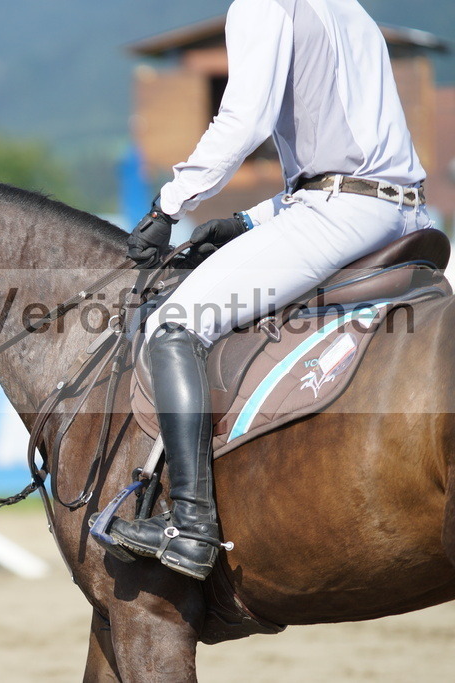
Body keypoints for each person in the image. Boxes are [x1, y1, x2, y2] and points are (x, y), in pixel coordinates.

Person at [107, 0, 434, 580]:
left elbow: (244, 121)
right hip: (402, 211)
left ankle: (190, 525)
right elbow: (346, 152)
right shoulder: (350, 10)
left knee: (176, 323)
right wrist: (248, 220)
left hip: (342, 212)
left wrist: (171, 205)